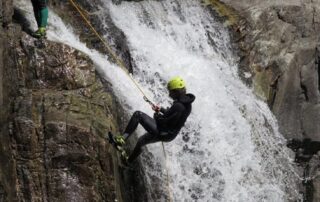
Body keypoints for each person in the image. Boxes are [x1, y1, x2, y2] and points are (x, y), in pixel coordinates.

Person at [114, 76, 195, 164]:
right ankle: (128, 162)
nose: (169, 94)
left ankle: (122, 140)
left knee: (138, 115)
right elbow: (173, 115)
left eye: (170, 92)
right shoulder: (187, 104)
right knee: (142, 141)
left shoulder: (178, 106)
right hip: (170, 134)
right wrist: (161, 109)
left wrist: (156, 115)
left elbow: (163, 122)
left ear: (176, 92)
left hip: (163, 131)